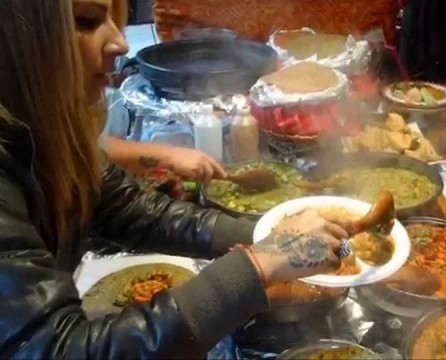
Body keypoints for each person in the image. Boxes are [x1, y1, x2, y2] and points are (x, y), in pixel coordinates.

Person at [0, 0, 349, 358]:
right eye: (87, 21)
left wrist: (272, 233)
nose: (120, 44)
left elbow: (134, 210)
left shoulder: (51, 133)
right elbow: (57, 349)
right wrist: (259, 264)